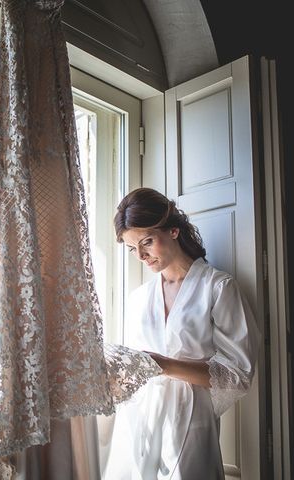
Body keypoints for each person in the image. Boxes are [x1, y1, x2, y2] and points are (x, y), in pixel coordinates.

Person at [102, 187, 260, 480]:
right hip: (139, 423)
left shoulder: (217, 288)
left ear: (173, 230)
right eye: (132, 248)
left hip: (191, 423)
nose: (141, 256)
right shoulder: (138, 299)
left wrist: (164, 365)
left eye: (147, 242)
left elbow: (238, 374)